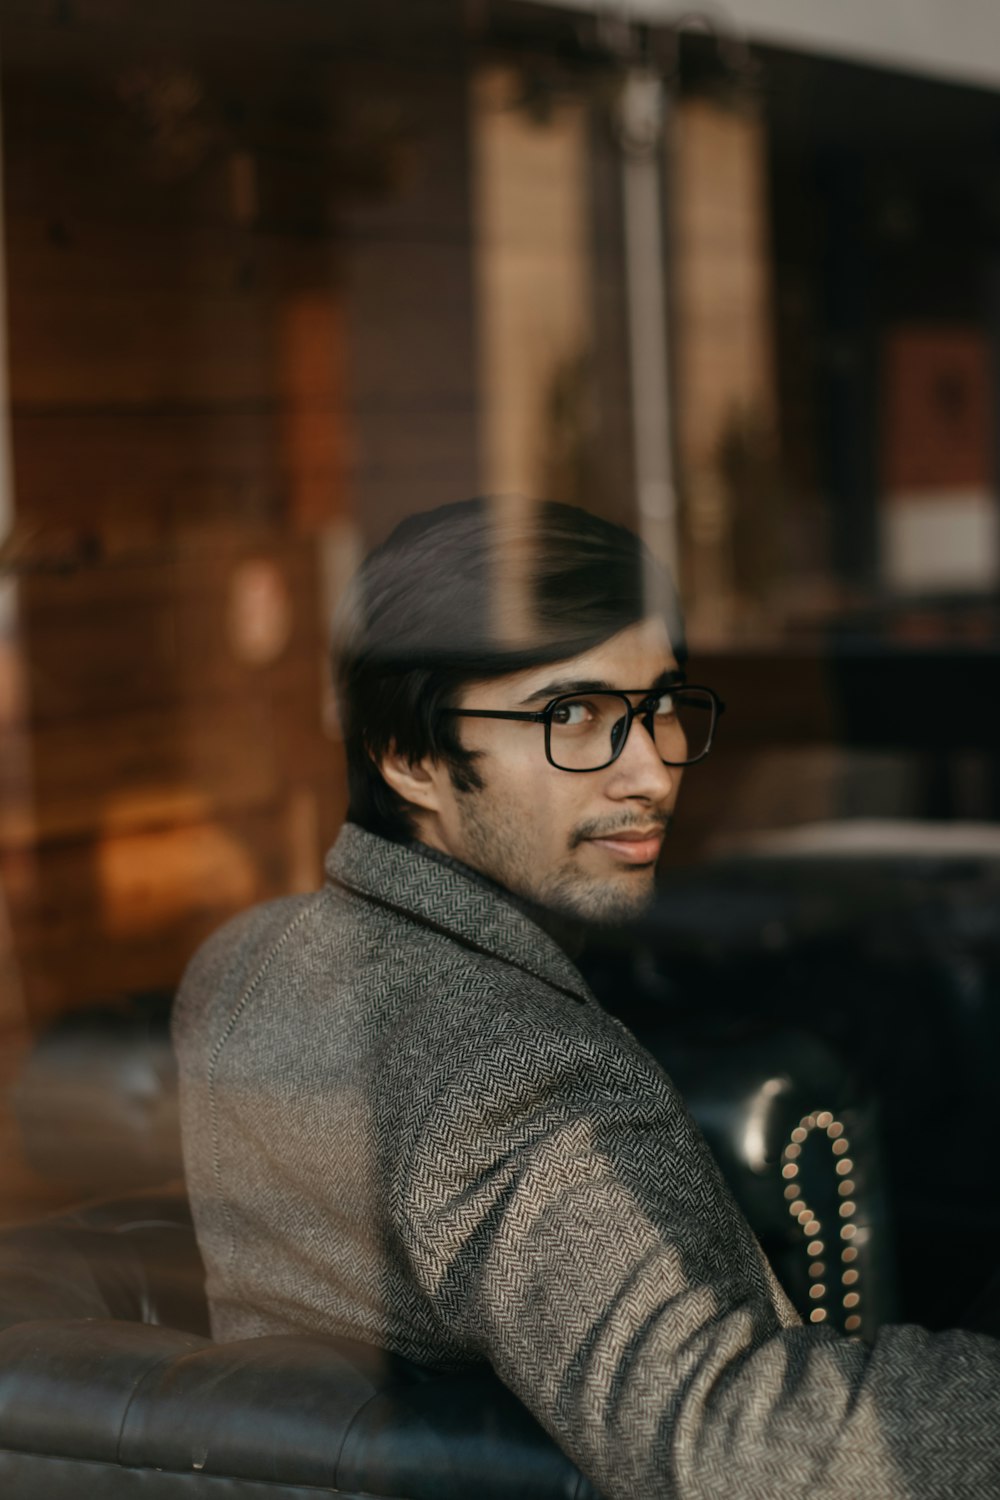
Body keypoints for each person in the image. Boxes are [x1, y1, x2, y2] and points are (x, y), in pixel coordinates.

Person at [173, 497, 1000, 1500]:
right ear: (412, 757)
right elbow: (721, 1438)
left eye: (659, 707)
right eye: (574, 716)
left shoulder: (246, 963)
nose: (650, 771)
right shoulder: (505, 1069)